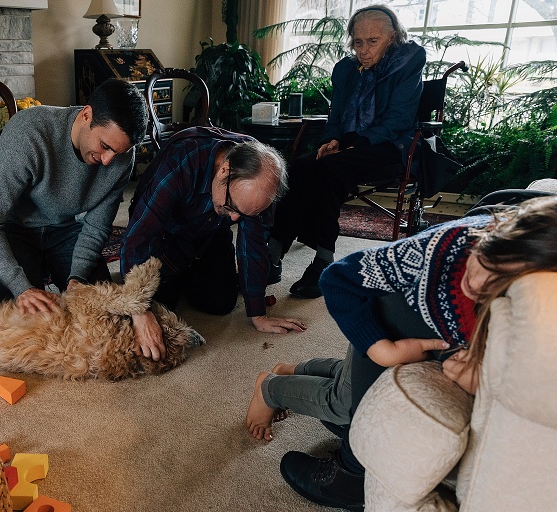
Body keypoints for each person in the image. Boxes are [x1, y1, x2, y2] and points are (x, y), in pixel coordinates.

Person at [245, 195, 557, 511]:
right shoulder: (441, 248)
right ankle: (270, 390)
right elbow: (338, 278)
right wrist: (381, 349)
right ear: (488, 234)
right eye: (482, 261)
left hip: (413, 331)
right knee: (345, 404)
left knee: (346, 380)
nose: (475, 283)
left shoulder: (528, 299)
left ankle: (294, 370)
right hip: (380, 318)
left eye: (495, 284)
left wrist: (468, 363)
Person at [267, 5, 427, 299]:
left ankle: (323, 262)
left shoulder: (408, 64)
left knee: (329, 169)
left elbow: (398, 121)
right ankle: (273, 251)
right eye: (358, 41)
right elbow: (336, 115)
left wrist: (353, 143)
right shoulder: (346, 70)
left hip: (390, 146)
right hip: (350, 146)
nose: (363, 50)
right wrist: (332, 139)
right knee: (301, 167)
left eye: (373, 41)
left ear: (392, 38)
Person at [120, 126, 306, 362]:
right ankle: (176, 273)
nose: (236, 219)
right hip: (164, 234)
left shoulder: (261, 182)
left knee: (220, 303)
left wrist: (258, 314)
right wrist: (139, 308)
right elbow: (138, 237)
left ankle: (186, 270)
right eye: (231, 205)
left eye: (245, 214)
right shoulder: (182, 159)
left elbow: (253, 245)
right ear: (224, 170)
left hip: (209, 233)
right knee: (155, 309)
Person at [0, 78, 148, 315]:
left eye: (118, 153)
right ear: (87, 115)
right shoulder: (28, 132)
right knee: (21, 319)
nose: (108, 161)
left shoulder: (122, 156)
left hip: (65, 229)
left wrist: (77, 278)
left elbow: (96, 227)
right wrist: (20, 287)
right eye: (105, 146)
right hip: (17, 230)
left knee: (104, 312)